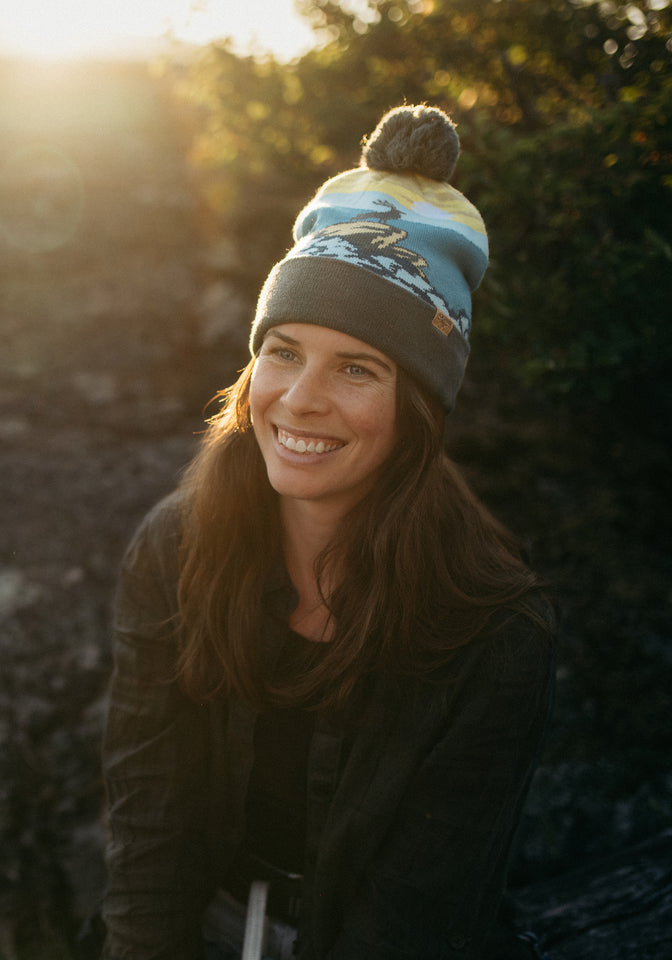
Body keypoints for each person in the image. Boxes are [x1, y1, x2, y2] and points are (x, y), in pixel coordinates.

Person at [101, 104, 555, 960]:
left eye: (357, 367)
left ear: (419, 405)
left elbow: (419, 912)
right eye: (282, 351)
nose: (300, 399)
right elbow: (149, 821)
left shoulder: (494, 632)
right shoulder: (176, 547)